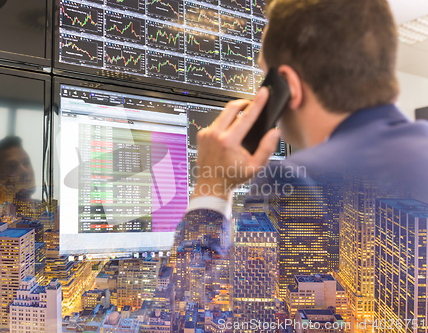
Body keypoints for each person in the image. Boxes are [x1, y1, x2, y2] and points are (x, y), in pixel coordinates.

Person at [167, 0, 428, 328]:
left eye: (265, 76)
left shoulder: (288, 177)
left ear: (286, 86)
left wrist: (211, 187)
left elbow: (182, 310)